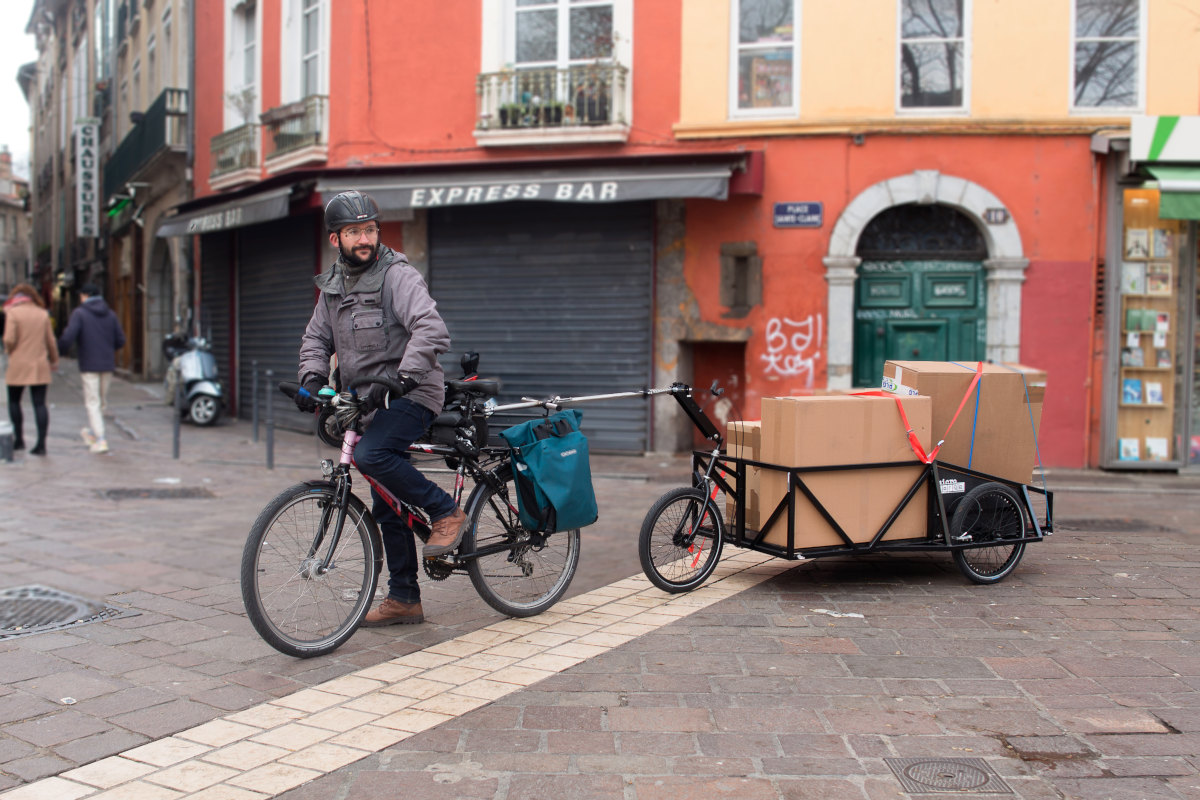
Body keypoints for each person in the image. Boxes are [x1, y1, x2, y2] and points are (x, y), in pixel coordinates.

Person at [297, 190, 466, 627]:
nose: (365, 238)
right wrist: (312, 379)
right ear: (336, 239)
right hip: (367, 400)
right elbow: (316, 339)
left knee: (372, 456)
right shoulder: (332, 287)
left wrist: (403, 378)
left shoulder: (397, 275)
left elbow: (430, 328)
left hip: (413, 393)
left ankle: (446, 511)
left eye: (370, 229)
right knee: (384, 501)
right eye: (354, 231)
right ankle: (405, 599)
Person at [57, 282, 127, 454]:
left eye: (81, 296)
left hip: (89, 364)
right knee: (101, 401)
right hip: (107, 364)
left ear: (85, 296)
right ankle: (93, 432)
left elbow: (68, 337)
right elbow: (121, 340)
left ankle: (101, 439)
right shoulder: (110, 315)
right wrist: (107, 349)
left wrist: (59, 351)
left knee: (93, 402)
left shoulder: (79, 314)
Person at [3, 283, 59, 456]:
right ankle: (41, 444)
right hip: (39, 364)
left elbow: (9, 339)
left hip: (18, 363)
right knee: (40, 404)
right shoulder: (42, 314)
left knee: (14, 402)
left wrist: (9, 350)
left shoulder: (12, 313)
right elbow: (51, 341)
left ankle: (19, 440)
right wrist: (54, 359)